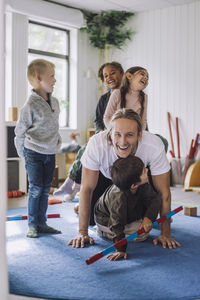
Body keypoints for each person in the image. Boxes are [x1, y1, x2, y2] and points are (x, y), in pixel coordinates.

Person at [68, 108, 181, 249]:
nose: (123, 142)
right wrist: (82, 232)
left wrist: (166, 233)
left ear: (139, 135)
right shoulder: (97, 144)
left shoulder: (153, 145)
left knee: (149, 210)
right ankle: (80, 207)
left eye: (129, 135)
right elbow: (87, 189)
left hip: (138, 178)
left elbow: (163, 193)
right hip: (106, 178)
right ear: (110, 133)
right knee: (93, 220)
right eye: (117, 135)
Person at [54, 62, 124, 200]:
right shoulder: (104, 99)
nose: (109, 77)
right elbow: (98, 119)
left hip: (121, 137)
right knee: (86, 148)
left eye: (113, 72)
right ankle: (73, 184)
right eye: (105, 76)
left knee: (88, 147)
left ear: (122, 74)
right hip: (106, 135)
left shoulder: (130, 95)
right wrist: (100, 131)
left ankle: (74, 184)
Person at [14, 59, 62, 238]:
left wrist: (56, 144)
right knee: (35, 188)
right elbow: (19, 132)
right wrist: (23, 155)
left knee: (45, 189)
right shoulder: (30, 105)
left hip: (50, 152)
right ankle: (33, 224)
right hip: (33, 152)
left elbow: (55, 126)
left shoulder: (55, 102)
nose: (55, 80)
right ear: (38, 78)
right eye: (52, 76)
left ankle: (42, 222)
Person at [94, 155, 161, 261]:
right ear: (133, 185)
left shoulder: (142, 184)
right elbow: (116, 224)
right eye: (143, 171)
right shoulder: (118, 198)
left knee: (148, 219)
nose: (147, 170)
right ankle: (103, 231)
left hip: (127, 212)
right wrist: (120, 249)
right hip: (106, 219)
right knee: (142, 235)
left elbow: (155, 200)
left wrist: (148, 218)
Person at [104, 66, 148, 130]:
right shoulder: (117, 93)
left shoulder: (144, 97)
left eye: (147, 77)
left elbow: (143, 121)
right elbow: (107, 117)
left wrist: (140, 133)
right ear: (129, 76)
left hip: (134, 133)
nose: (146, 78)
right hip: (116, 131)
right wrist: (114, 131)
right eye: (142, 74)